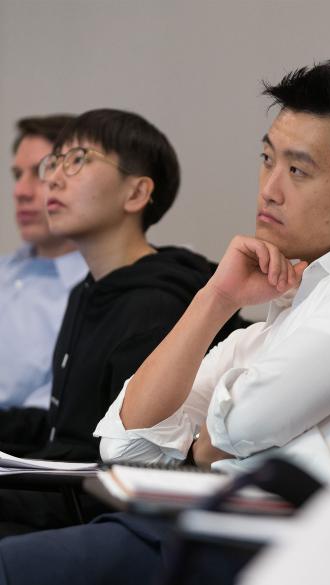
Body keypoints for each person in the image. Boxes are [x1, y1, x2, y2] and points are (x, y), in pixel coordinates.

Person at [0, 60, 330, 585]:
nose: (268, 190)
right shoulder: (276, 316)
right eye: (267, 160)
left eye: (298, 171)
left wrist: (204, 439)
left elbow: (240, 425)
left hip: (298, 557)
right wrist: (215, 299)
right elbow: (126, 445)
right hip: (194, 533)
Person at [0, 108, 245, 534]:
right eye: (52, 163)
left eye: (77, 160)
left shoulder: (157, 305)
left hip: (105, 517)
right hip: (62, 497)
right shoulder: (88, 290)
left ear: (136, 194)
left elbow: (120, 464)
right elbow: (66, 430)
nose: (52, 179)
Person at [0, 115, 88, 409]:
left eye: (42, 171)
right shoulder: (4, 270)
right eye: (17, 175)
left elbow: (47, 421)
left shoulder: (94, 295)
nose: (20, 192)